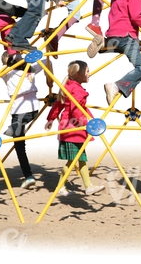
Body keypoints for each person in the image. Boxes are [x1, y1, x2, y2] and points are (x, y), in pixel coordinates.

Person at [0, 51, 53, 189]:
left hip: (25, 110)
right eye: (15, 56)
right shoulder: (12, 70)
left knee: (18, 141)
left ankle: (28, 174)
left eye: (19, 55)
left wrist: (49, 79)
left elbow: (46, 62)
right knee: (19, 144)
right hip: (26, 109)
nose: (19, 57)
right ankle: (28, 175)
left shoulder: (27, 68)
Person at [44, 60, 106, 196]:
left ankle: (87, 186)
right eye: (87, 71)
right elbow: (76, 110)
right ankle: (62, 187)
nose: (90, 74)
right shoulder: (77, 90)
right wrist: (86, 124)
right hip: (73, 129)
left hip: (68, 127)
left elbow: (58, 105)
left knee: (81, 158)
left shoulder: (68, 86)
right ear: (79, 74)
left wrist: (51, 119)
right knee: (73, 160)